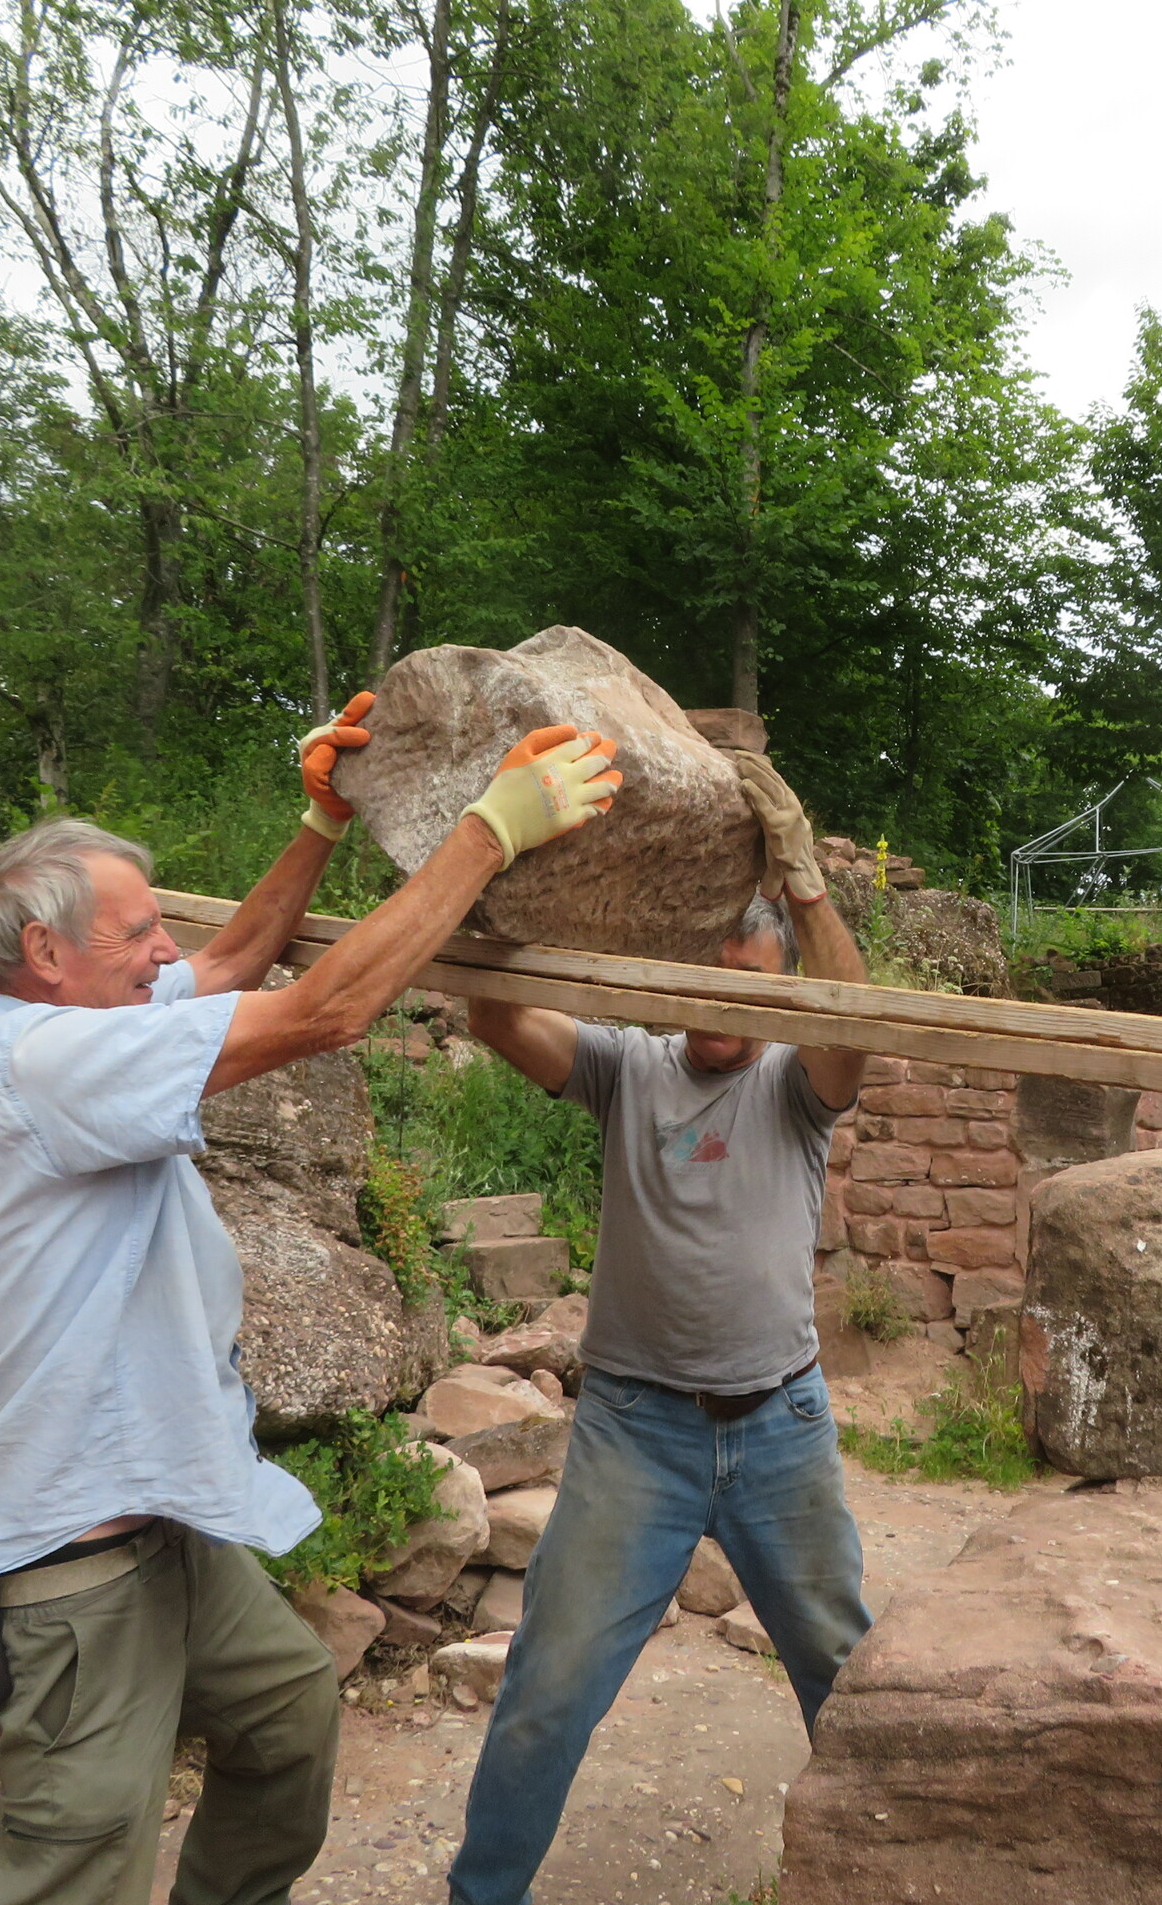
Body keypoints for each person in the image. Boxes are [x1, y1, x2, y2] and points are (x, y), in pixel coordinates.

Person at [0, 703, 622, 1905]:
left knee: (285, 1712)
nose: (164, 946)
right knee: (80, 1856)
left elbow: (226, 968)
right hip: (67, 1555)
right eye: (137, 931)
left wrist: (321, 822)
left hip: (154, 1511)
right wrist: (489, 831)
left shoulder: (82, 1019)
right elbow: (325, 1011)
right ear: (43, 951)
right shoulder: (37, 1066)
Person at [446, 750, 870, 1905]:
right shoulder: (625, 1068)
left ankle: (891, 1874)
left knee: (850, 1683)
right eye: (704, 983)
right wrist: (521, 869)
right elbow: (494, 1012)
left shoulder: (796, 1084)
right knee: (546, 1696)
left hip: (779, 1430)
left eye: (750, 991)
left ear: (780, 994)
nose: (720, 1011)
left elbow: (855, 1025)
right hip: (634, 1435)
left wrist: (807, 883)